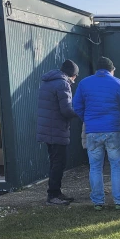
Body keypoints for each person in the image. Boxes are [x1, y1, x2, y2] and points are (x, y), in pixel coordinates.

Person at [72, 56, 120, 210]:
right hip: (113, 129)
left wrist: (88, 119)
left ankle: (98, 202)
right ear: (111, 69)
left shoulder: (84, 83)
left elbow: (76, 105)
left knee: (95, 167)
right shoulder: (118, 83)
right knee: (117, 165)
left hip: (92, 131)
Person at [36, 58, 79, 205]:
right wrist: (80, 113)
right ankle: (53, 195)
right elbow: (66, 110)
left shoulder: (47, 82)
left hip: (48, 128)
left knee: (55, 161)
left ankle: (56, 192)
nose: (75, 79)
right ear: (72, 74)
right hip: (56, 129)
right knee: (58, 163)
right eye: (75, 76)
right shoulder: (63, 84)